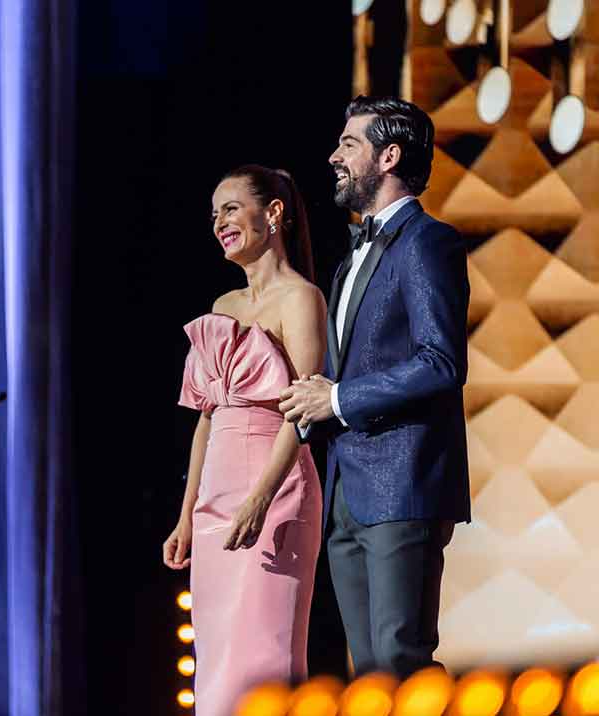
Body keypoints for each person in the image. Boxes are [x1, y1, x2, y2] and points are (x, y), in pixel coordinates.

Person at [279, 96, 471, 678]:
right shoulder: (350, 259)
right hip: (348, 488)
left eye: (348, 144)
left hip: (402, 484)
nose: (333, 156)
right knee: (371, 676)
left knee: (399, 662)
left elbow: (440, 362)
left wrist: (336, 398)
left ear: (388, 156)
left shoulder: (427, 241)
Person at [163, 165, 326, 716]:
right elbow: (206, 420)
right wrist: (187, 514)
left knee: (265, 659)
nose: (219, 223)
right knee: (216, 667)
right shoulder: (222, 309)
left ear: (272, 213)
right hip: (215, 505)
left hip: (275, 496)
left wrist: (259, 499)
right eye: (214, 214)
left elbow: (302, 415)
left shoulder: (301, 299)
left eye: (230, 208)